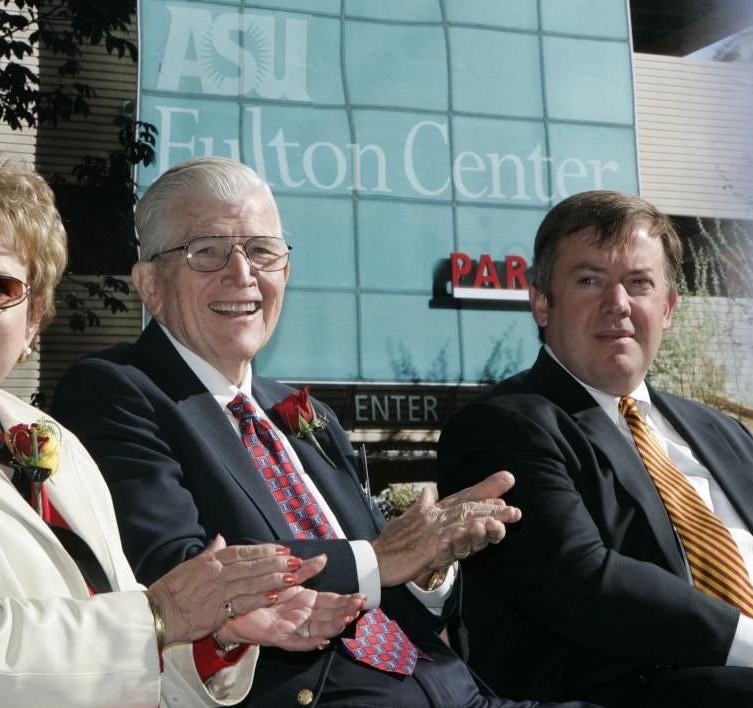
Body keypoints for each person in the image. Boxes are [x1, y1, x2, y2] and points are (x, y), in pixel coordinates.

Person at [0, 146, 365, 708]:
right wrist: (163, 617)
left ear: (34, 319)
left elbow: (114, 654)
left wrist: (214, 636)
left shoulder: (51, 441)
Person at [52, 156, 597, 707]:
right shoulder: (114, 391)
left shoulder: (302, 412)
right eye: (208, 251)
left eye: (262, 251)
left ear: (285, 272)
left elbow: (388, 570)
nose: (241, 274)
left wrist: (428, 568)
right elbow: (181, 570)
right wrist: (381, 560)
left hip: (456, 691)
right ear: (150, 284)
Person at [437, 190, 753, 708]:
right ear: (540, 301)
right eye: (589, 280)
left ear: (668, 308)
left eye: (639, 283)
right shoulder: (502, 427)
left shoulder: (724, 434)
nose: (617, 304)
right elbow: (582, 582)